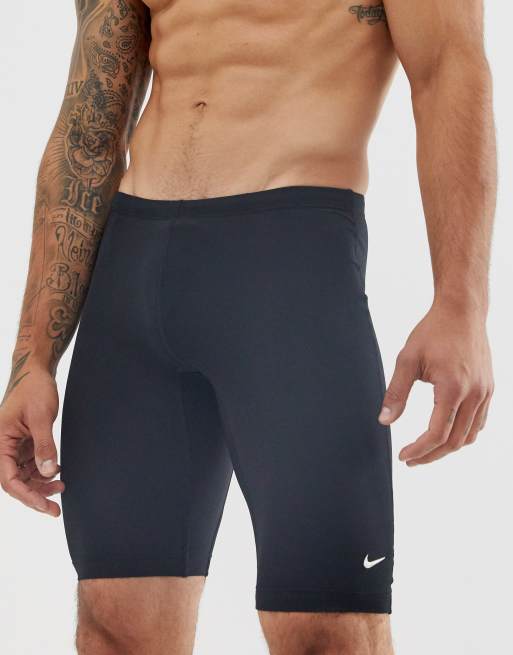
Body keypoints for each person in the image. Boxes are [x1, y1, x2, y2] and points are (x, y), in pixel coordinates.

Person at [0, 1, 496, 653]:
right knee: (115, 629)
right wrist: (33, 358)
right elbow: (89, 127)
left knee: (328, 631)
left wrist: (461, 303)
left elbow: (448, 69)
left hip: (289, 270)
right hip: (132, 281)